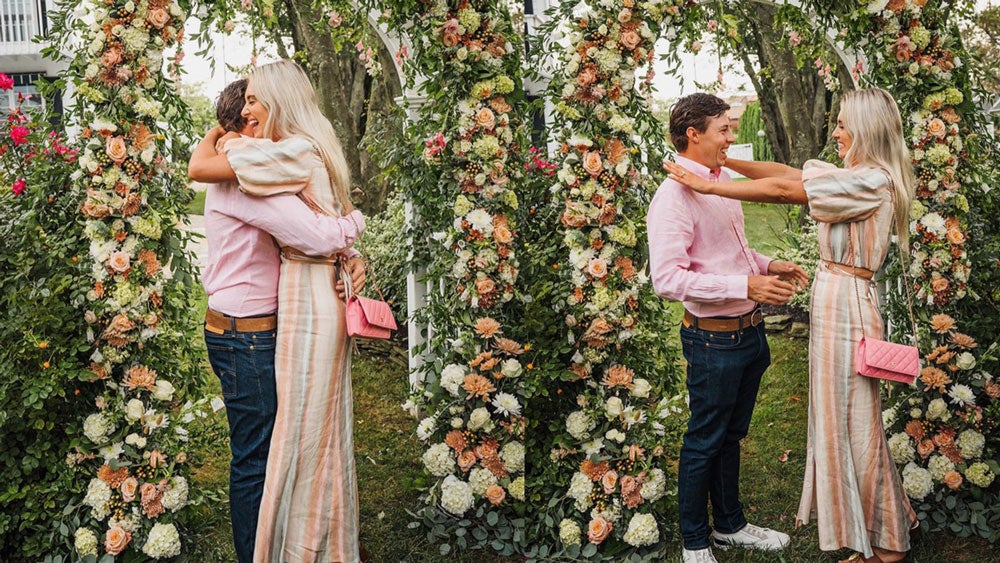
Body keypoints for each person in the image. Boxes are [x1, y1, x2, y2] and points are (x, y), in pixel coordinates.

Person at [664, 87, 917, 563]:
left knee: (854, 426)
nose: (836, 131)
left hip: (847, 313)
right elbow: (787, 174)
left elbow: (785, 191)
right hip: (834, 306)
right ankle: (872, 532)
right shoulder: (854, 175)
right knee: (842, 424)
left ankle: (883, 542)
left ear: (866, 129)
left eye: (842, 124)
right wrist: (722, 167)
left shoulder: (871, 182)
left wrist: (711, 184)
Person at [190, 61, 367, 563]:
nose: (256, 123)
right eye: (247, 115)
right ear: (241, 130)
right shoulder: (242, 181)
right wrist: (355, 227)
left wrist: (352, 257)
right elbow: (315, 234)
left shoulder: (263, 168)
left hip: (250, 329)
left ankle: (286, 541)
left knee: (269, 448)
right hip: (245, 336)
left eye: (257, 105)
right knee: (257, 457)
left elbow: (312, 219)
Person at [648, 93, 806, 563]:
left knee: (731, 437)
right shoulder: (673, 197)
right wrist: (746, 283)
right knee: (704, 440)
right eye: (724, 129)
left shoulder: (721, 182)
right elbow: (668, 279)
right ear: (692, 134)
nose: (732, 138)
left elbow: (729, 255)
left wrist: (769, 264)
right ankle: (695, 543)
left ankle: (731, 526)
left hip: (749, 336)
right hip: (712, 339)